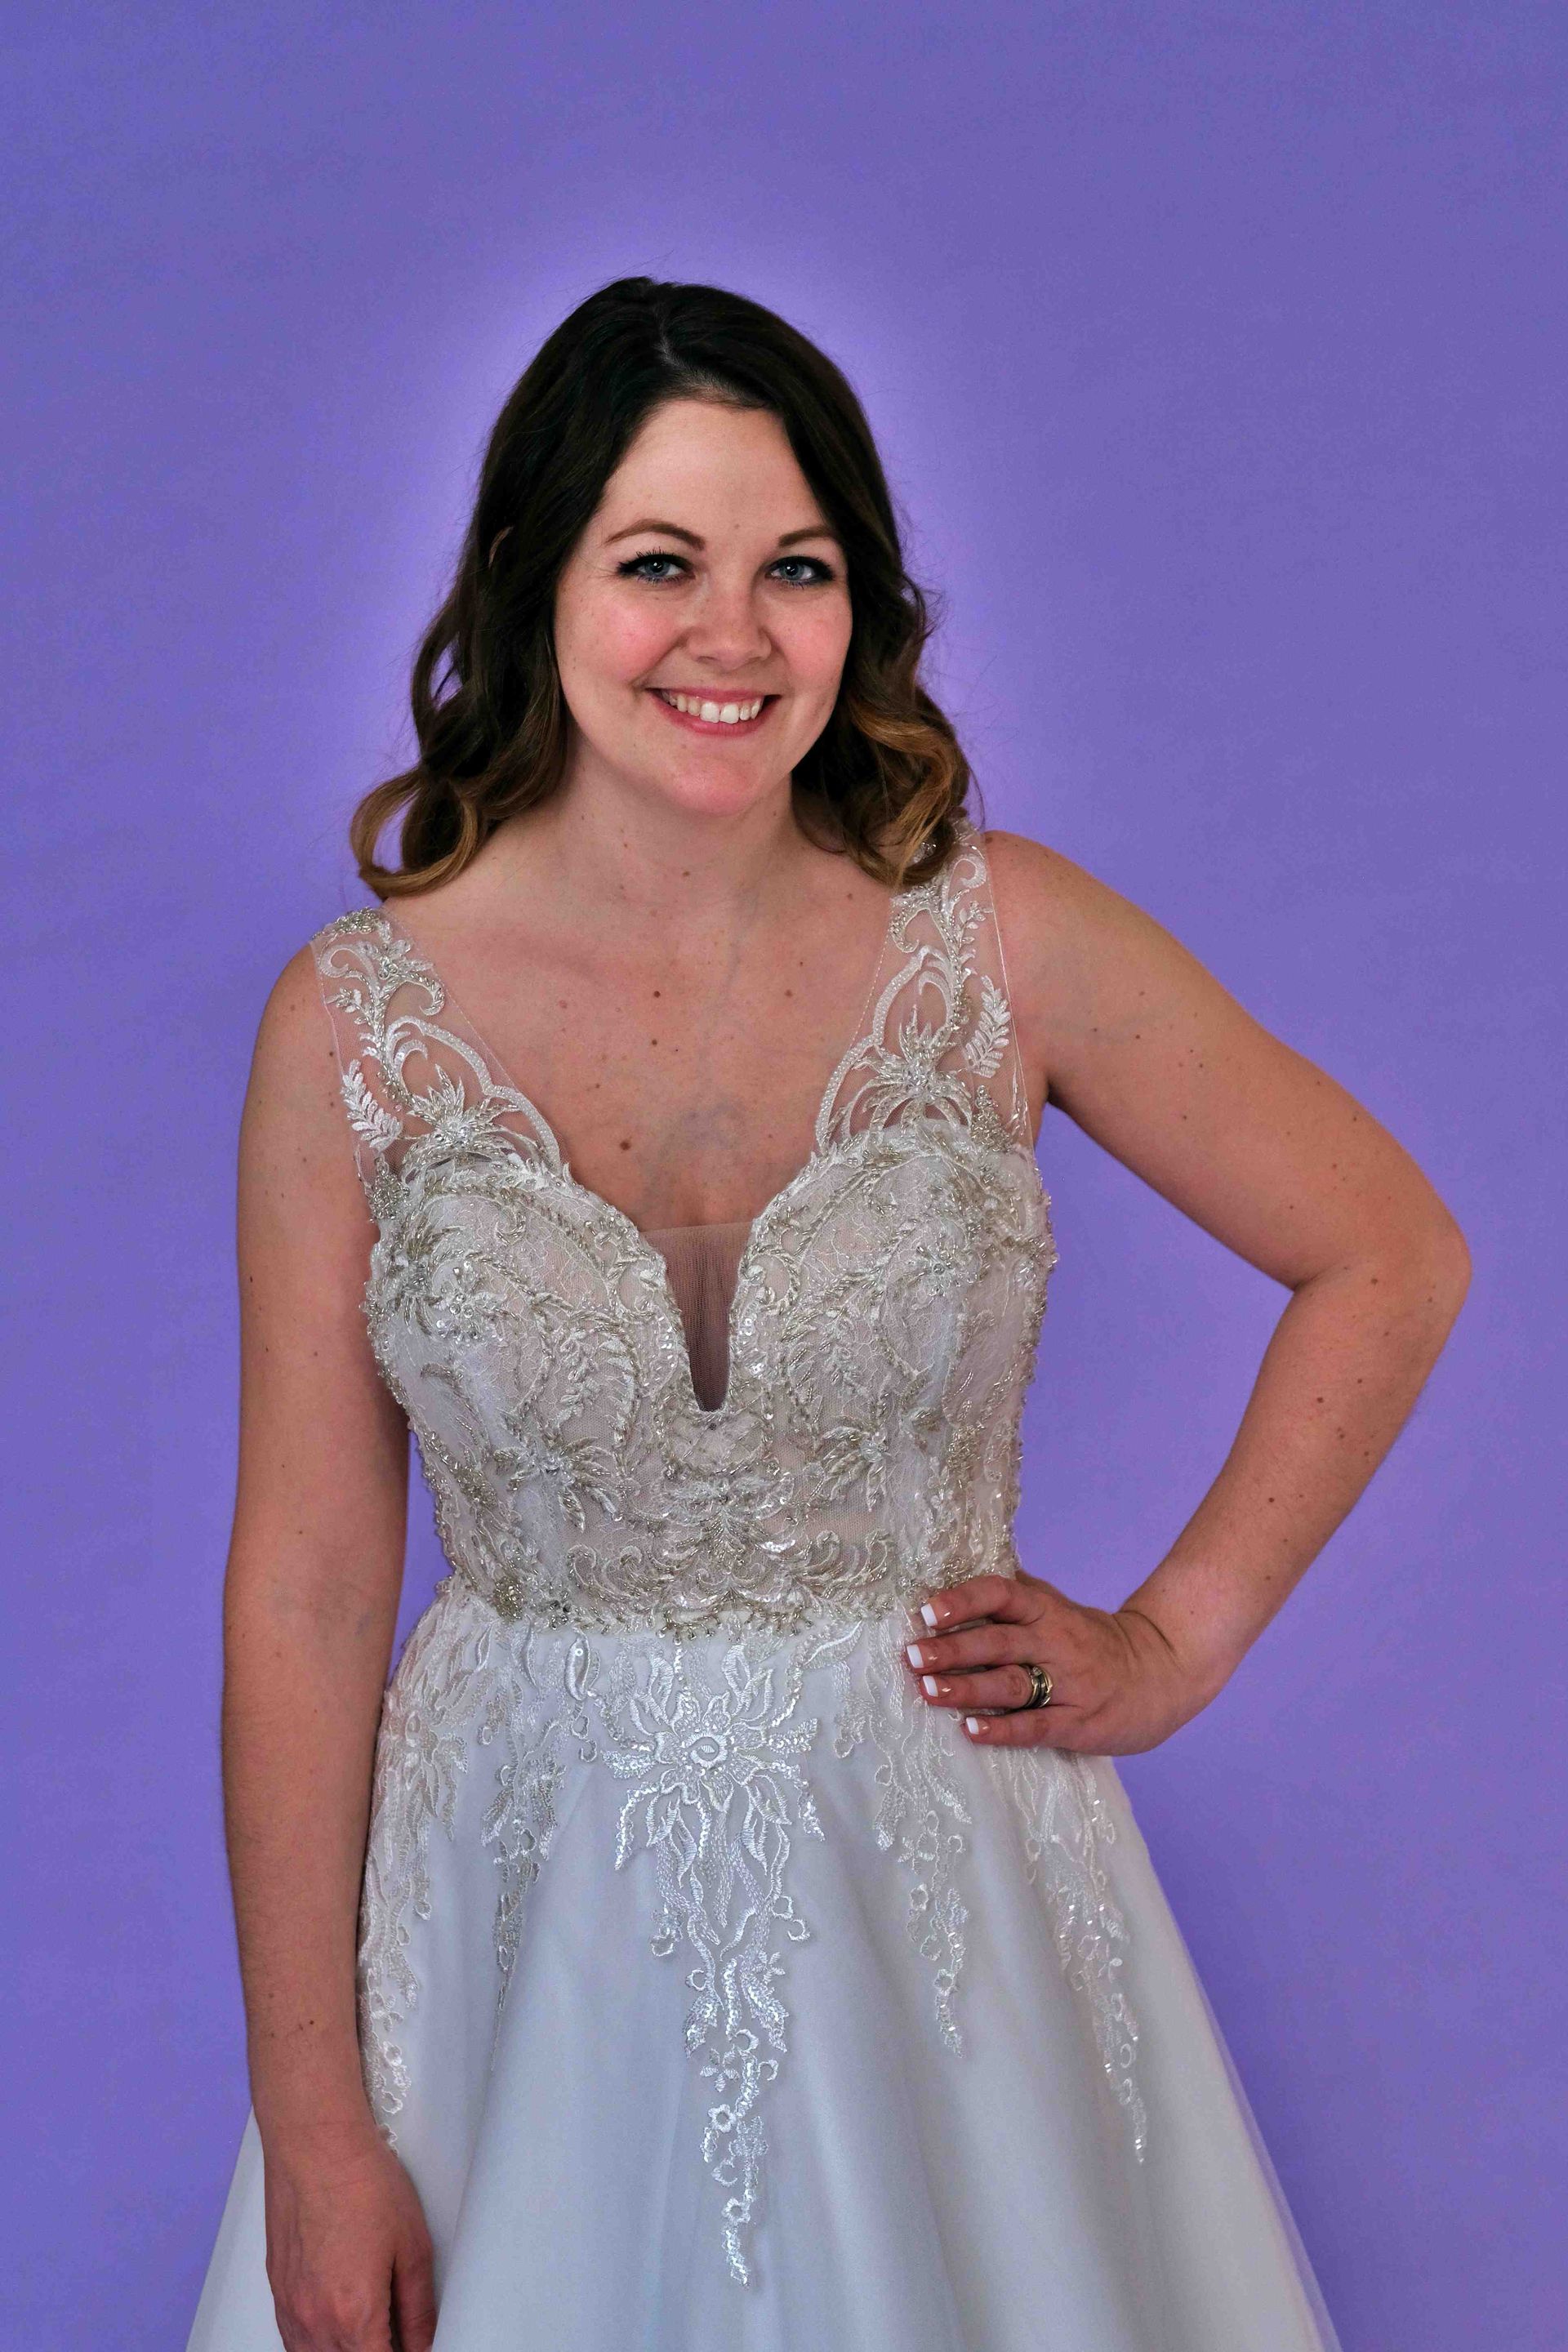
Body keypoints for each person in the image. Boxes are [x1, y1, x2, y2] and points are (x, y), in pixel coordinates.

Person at [188, 276, 1468, 2352]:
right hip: (517, 1937)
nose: (735, 636)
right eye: (659, 564)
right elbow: (311, 1588)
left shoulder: (1008, 940)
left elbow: (1391, 1250)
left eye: (796, 568)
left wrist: (1178, 1637)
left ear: (858, 601)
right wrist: (312, 2115)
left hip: (948, 1919)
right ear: (531, 584)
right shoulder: (355, 1031)